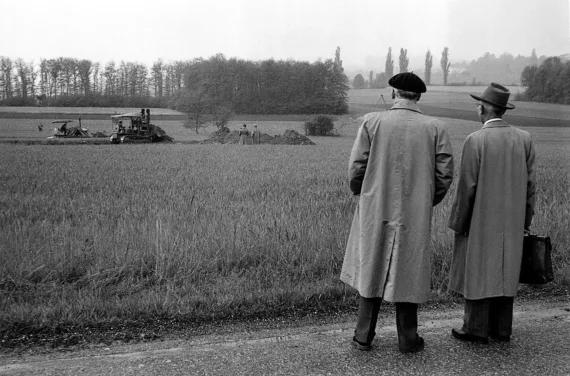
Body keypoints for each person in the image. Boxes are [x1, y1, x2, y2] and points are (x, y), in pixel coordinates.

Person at [341, 72, 454, 353]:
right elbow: (445, 174)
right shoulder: (436, 127)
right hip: (414, 210)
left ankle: (363, 336)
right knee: (409, 268)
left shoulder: (371, 122)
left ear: (393, 93)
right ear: (418, 96)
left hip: (374, 205)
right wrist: (427, 200)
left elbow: (357, 167)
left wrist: (362, 192)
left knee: (371, 264)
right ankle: (408, 338)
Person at [448, 83, 536, 344]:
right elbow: (531, 187)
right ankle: (501, 329)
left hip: (480, 221)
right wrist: (525, 222)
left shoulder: (475, 140)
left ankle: (475, 328)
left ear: (483, 109)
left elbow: (467, 188)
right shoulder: (524, 138)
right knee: (505, 272)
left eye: (478, 105)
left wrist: (460, 222)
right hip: (513, 221)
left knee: (478, 271)